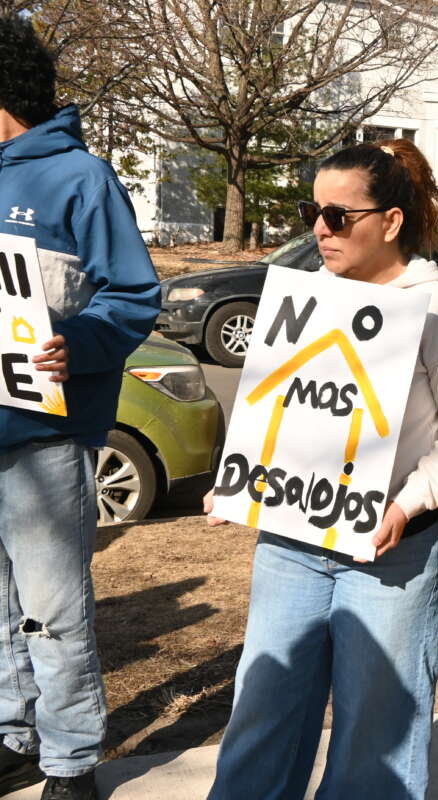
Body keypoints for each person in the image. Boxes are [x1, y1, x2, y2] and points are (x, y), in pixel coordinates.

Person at [205, 140, 438, 800]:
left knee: (377, 733)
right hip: (291, 544)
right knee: (261, 716)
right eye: (314, 209)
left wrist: (408, 504)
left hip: (390, 554)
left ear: (390, 222)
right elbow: (279, 410)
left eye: (339, 216)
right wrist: (243, 480)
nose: (319, 228)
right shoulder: (306, 302)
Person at [0, 15, 162, 800]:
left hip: (45, 437)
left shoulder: (82, 178)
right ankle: (13, 733)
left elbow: (134, 296)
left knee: (54, 609)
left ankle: (69, 762)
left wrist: (77, 340)